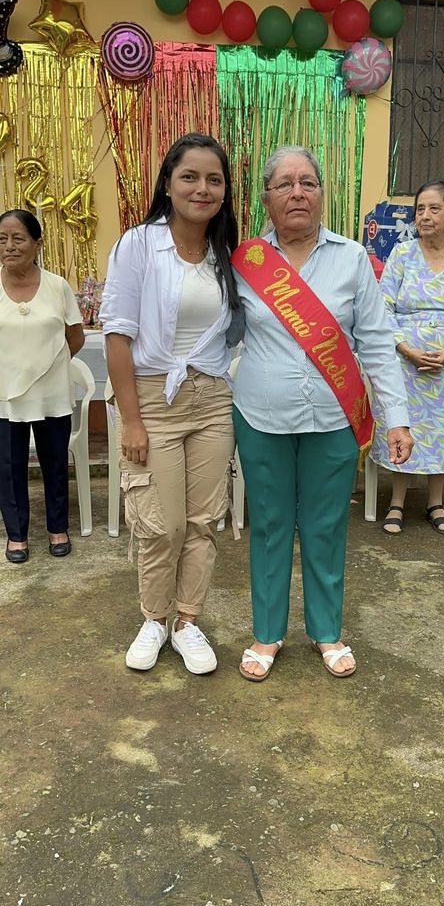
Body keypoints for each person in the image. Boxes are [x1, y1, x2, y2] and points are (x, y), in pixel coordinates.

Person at [230, 145, 413, 681]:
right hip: (261, 416)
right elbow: (220, 335)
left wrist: (397, 417)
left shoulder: (352, 258)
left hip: (335, 418)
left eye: (308, 183)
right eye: (284, 184)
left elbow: (376, 342)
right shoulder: (246, 261)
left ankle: (326, 630)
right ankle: (267, 633)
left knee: (326, 525)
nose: (297, 193)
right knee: (269, 525)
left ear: (322, 194)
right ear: (266, 198)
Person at [100, 133, 241, 674]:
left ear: (225, 192)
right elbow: (117, 336)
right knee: (161, 524)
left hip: (211, 399)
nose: (202, 189)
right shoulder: (138, 245)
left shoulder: (226, 254)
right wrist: (131, 421)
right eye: (190, 177)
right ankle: (154, 619)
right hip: (153, 400)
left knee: (203, 520)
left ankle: (186, 621)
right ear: (167, 184)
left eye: (214, 180)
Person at [370, 179, 444, 536]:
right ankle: (397, 502)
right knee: (403, 425)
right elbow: (383, 307)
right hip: (406, 363)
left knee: (443, 431)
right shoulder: (402, 254)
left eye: (434, 208)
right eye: (420, 209)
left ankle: (436, 503)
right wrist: (406, 349)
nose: (425, 215)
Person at [0, 209, 85, 563]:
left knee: (54, 462)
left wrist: (47, 366)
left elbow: (75, 336)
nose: (9, 246)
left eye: (18, 239)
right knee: (9, 466)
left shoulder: (57, 286)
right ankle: (16, 535)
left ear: (37, 244)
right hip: (6, 395)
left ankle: (58, 528)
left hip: (52, 393)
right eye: (2, 240)